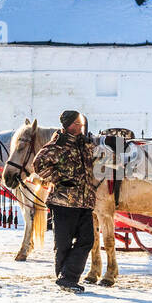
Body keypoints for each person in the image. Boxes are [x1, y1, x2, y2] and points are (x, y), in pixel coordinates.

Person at [32, 109, 98, 293]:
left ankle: (67, 277)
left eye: (81, 124)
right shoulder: (57, 144)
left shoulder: (85, 144)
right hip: (63, 202)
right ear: (67, 125)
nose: (79, 127)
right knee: (63, 244)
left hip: (85, 201)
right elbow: (38, 165)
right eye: (76, 124)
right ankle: (65, 278)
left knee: (87, 240)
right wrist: (57, 178)